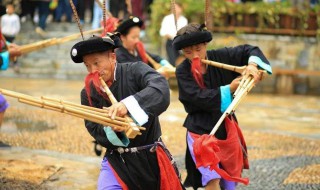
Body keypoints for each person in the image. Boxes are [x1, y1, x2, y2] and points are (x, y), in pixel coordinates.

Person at [70, 34, 183, 190]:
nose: (93, 71)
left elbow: (160, 88)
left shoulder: (136, 70)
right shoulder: (88, 92)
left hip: (151, 157)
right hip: (117, 160)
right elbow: (94, 128)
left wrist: (127, 106)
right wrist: (113, 129)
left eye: (96, 63)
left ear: (112, 57)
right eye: (88, 66)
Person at [173, 23, 272, 190]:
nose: (195, 55)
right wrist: (229, 89)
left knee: (229, 181)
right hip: (199, 132)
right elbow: (194, 97)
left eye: (198, 49)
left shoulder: (220, 56)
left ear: (205, 44)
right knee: (212, 179)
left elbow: (250, 50)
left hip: (225, 127)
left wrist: (252, 66)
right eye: (188, 52)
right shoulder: (182, 70)